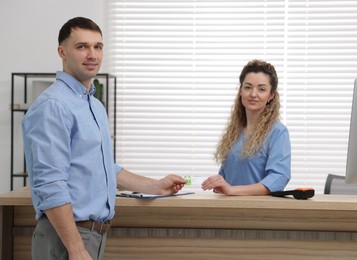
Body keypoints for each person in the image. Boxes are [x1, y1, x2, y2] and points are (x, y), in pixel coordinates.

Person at [22, 17, 187, 260]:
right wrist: (76, 249)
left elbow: (103, 168)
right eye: (82, 47)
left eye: (98, 47)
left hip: (91, 236)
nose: (92, 54)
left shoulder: (94, 105)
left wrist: (154, 185)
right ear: (62, 52)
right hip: (67, 239)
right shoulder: (53, 106)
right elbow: (50, 184)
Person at [201, 59, 291, 195]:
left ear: (271, 95)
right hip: (230, 209)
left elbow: (278, 178)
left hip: (258, 210)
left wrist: (232, 190)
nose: (253, 94)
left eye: (261, 89)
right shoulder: (234, 132)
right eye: (248, 87)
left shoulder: (278, 132)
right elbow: (225, 178)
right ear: (241, 91)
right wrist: (218, 184)